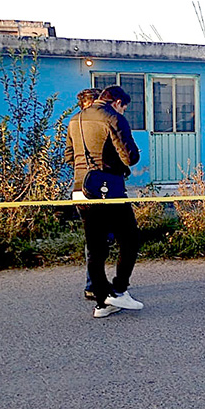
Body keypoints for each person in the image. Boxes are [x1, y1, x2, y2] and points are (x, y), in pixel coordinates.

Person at [65, 85, 143, 318]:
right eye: (124, 107)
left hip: (81, 188)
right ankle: (119, 290)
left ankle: (102, 301)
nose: (124, 111)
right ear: (117, 102)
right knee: (130, 239)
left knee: (96, 247)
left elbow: (69, 156)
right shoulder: (113, 118)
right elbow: (130, 158)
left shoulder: (75, 119)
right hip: (109, 190)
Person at [75, 88, 101, 300]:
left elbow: (68, 154)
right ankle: (98, 284)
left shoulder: (73, 121)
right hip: (99, 185)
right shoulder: (102, 121)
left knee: (90, 236)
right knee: (102, 236)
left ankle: (92, 283)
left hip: (78, 185)